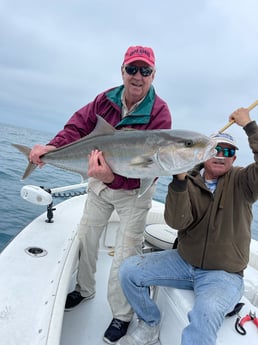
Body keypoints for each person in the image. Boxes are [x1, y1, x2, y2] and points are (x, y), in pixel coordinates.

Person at [29, 45, 172, 344]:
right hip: (98, 183)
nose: (137, 76)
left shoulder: (160, 113)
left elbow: (148, 170)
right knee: (87, 237)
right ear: (122, 71)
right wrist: (52, 148)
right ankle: (84, 289)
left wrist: (113, 177)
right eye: (132, 69)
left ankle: (121, 315)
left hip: (135, 190)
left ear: (153, 75)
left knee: (126, 254)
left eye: (145, 71)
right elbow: (78, 125)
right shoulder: (104, 100)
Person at [117, 107, 258, 345]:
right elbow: (176, 222)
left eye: (228, 151)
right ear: (204, 153)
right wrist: (179, 180)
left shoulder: (244, 182)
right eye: (216, 149)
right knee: (129, 271)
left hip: (223, 274)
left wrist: (249, 126)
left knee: (206, 314)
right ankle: (150, 323)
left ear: (234, 159)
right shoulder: (189, 179)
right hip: (183, 262)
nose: (221, 154)